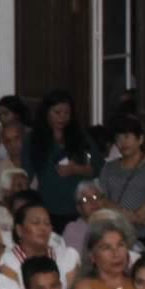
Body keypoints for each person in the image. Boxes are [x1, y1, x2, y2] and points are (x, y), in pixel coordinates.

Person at [26, 90, 98, 234]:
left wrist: (76, 169)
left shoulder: (81, 137)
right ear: (46, 112)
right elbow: (26, 172)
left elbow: (99, 167)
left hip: (78, 208)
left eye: (67, 113)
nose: (62, 118)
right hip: (47, 207)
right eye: (57, 112)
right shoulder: (33, 139)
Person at [97, 114, 145, 255]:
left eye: (127, 136)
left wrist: (134, 218)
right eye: (118, 138)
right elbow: (101, 200)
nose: (122, 142)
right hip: (115, 237)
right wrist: (124, 216)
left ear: (140, 139)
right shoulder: (108, 167)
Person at [0, 199, 81, 289]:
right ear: (19, 230)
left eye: (47, 223)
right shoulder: (8, 261)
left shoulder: (66, 257)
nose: (43, 228)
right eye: (36, 222)